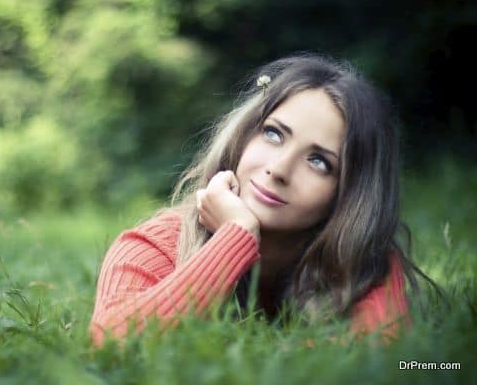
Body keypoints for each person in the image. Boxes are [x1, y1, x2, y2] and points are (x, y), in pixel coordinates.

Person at [89, 53, 432, 348]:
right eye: (273, 134)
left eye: (319, 161)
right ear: (243, 135)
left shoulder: (361, 264)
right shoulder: (155, 246)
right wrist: (236, 236)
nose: (279, 169)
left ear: (349, 194)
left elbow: (386, 362)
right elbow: (113, 341)